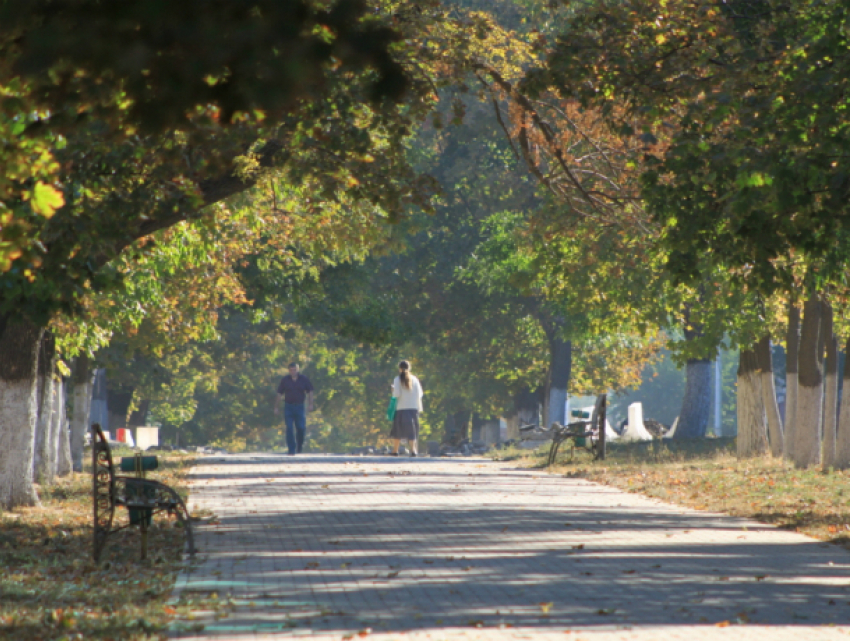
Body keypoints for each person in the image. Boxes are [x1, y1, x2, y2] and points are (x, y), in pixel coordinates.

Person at [274, 362, 314, 455]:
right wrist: (276, 407)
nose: (293, 371)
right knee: (289, 428)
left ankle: (299, 446)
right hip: (288, 407)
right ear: (289, 370)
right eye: (291, 370)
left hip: (300, 406)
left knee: (301, 427)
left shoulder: (303, 379)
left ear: (298, 369)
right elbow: (279, 393)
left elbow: (310, 391)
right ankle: (291, 449)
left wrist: (311, 404)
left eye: (295, 369)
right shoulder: (285, 380)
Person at [390, 360, 423, 457]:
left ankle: (395, 450)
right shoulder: (415, 379)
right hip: (413, 408)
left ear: (399, 368)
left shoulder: (397, 379)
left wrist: (393, 390)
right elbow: (420, 394)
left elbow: (397, 394)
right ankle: (413, 450)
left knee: (398, 429)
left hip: (401, 407)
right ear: (409, 368)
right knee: (412, 429)